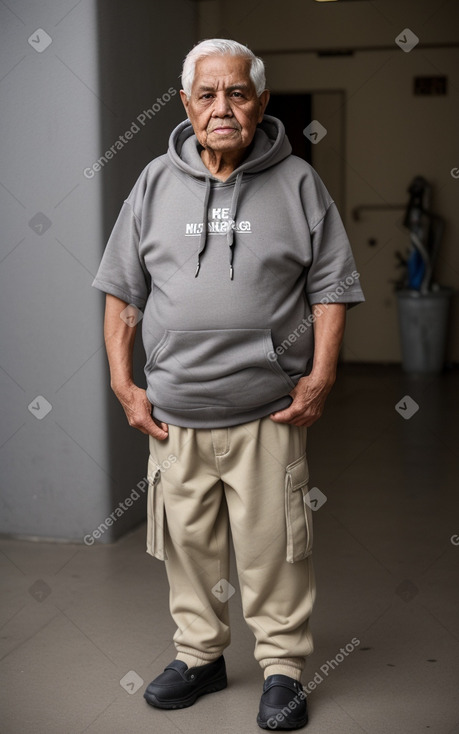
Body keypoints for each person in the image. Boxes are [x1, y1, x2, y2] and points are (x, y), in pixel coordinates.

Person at [92, 38, 364, 730]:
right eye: (207, 94)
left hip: (267, 412)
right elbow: (123, 291)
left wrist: (322, 374)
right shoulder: (154, 182)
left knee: (275, 549)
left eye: (237, 93)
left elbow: (331, 285)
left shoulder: (299, 182)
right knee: (188, 547)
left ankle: (281, 669)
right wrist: (124, 382)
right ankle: (200, 657)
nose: (222, 108)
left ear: (260, 102)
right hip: (175, 414)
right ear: (185, 104)